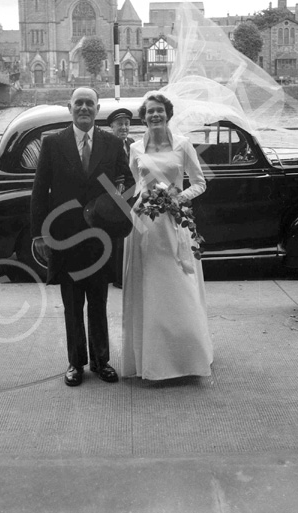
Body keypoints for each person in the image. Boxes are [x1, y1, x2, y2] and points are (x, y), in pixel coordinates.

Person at [31, 87, 134, 387]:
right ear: (70, 107)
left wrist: (115, 200)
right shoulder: (53, 144)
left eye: (90, 103)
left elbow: (127, 182)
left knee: (99, 302)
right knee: (72, 304)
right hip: (65, 238)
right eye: (79, 103)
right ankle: (75, 363)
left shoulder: (113, 143)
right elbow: (39, 192)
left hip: (100, 239)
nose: (84, 108)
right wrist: (39, 234)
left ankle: (102, 362)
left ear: (98, 108)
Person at [122, 92, 213, 381]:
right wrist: (142, 198)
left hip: (174, 222)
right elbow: (133, 185)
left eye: (159, 111)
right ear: (144, 116)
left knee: (179, 285)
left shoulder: (183, 145)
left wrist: (178, 198)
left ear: (168, 114)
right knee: (149, 287)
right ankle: (151, 359)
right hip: (145, 224)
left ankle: (187, 357)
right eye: (149, 111)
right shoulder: (136, 148)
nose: (155, 115)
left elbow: (199, 182)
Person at [107, 107, 134, 289]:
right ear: (112, 127)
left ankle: (128, 273)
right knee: (117, 238)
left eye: (126, 124)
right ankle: (118, 277)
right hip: (114, 194)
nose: (123, 128)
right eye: (119, 125)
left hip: (131, 193)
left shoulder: (132, 144)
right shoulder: (108, 145)